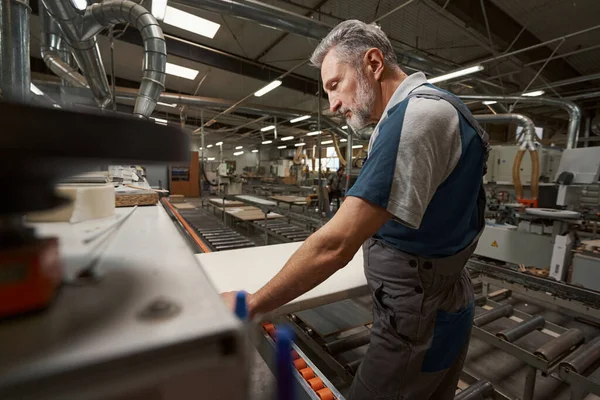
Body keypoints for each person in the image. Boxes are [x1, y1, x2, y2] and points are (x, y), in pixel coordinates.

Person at [223, 19, 488, 399]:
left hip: (416, 314)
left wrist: (252, 303)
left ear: (374, 63)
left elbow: (336, 245)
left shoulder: (414, 121)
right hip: (435, 300)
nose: (332, 105)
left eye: (335, 85)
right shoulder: (430, 111)